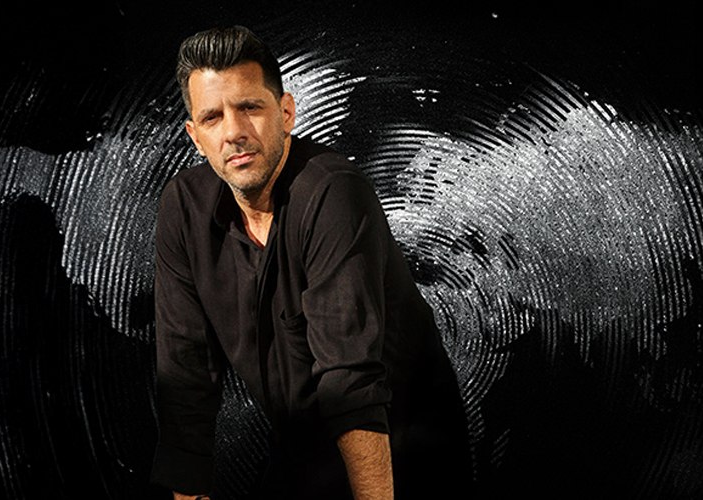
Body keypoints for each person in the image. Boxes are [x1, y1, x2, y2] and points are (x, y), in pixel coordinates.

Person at [150, 25, 473, 499]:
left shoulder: (333, 194)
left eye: (250, 108)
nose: (234, 132)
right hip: (303, 451)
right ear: (195, 137)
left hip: (401, 454)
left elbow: (350, 381)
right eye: (213, 117)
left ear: (286, 113)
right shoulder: (184, 209)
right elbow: (185, 379)